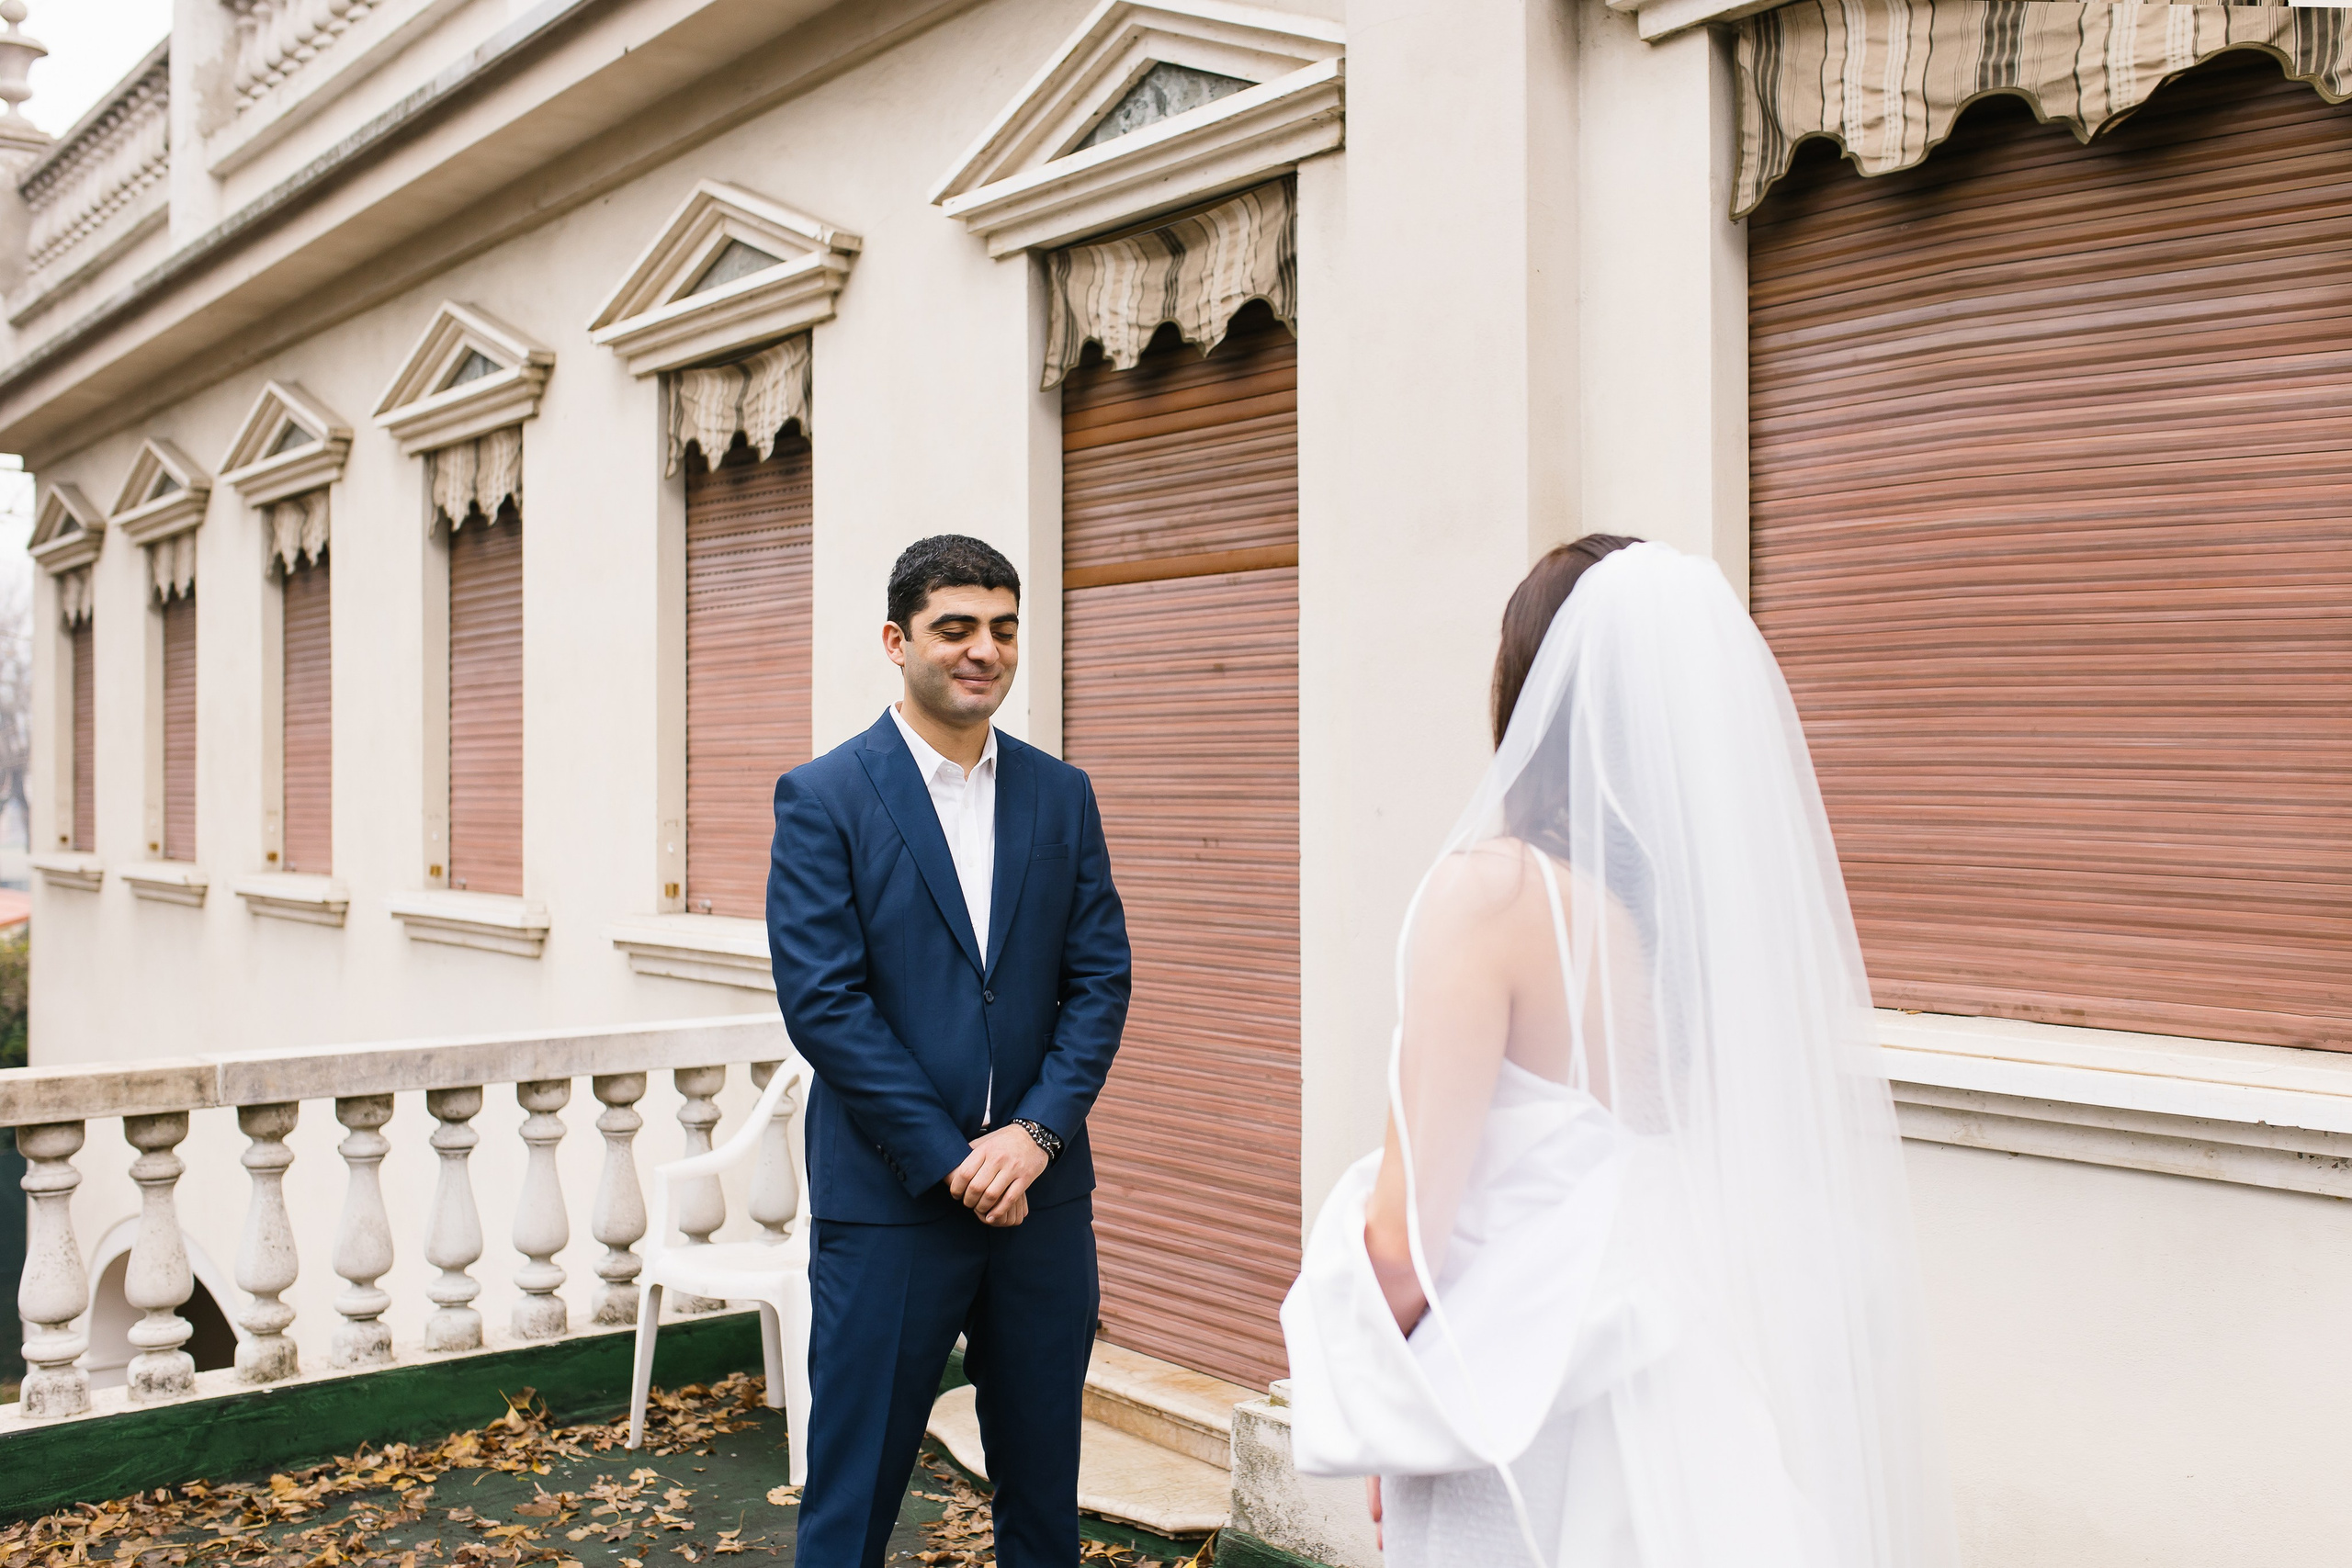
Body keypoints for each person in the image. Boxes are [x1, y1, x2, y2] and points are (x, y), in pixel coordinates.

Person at [1281, 537, 1959, 1568]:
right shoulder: (1714, 921)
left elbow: (1404, 1243)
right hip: (1686, 1388)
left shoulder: (1492, 897)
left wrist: (1386, 1405)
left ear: (1529, 691)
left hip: (1521, 1418)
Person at [767, 534, 1131, 1568]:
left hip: (1042, 1204)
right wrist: (955, 1159)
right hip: (891, 1204)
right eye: (956, 628)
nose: (985, 651)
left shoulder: (1062, 796)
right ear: (897, 641)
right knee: (850, 1507)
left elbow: (1099, 980)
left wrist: (1035, 1135)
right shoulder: (824, 797)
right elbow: (824, 1003)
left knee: (1043, 1502)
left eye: (1004, 629)